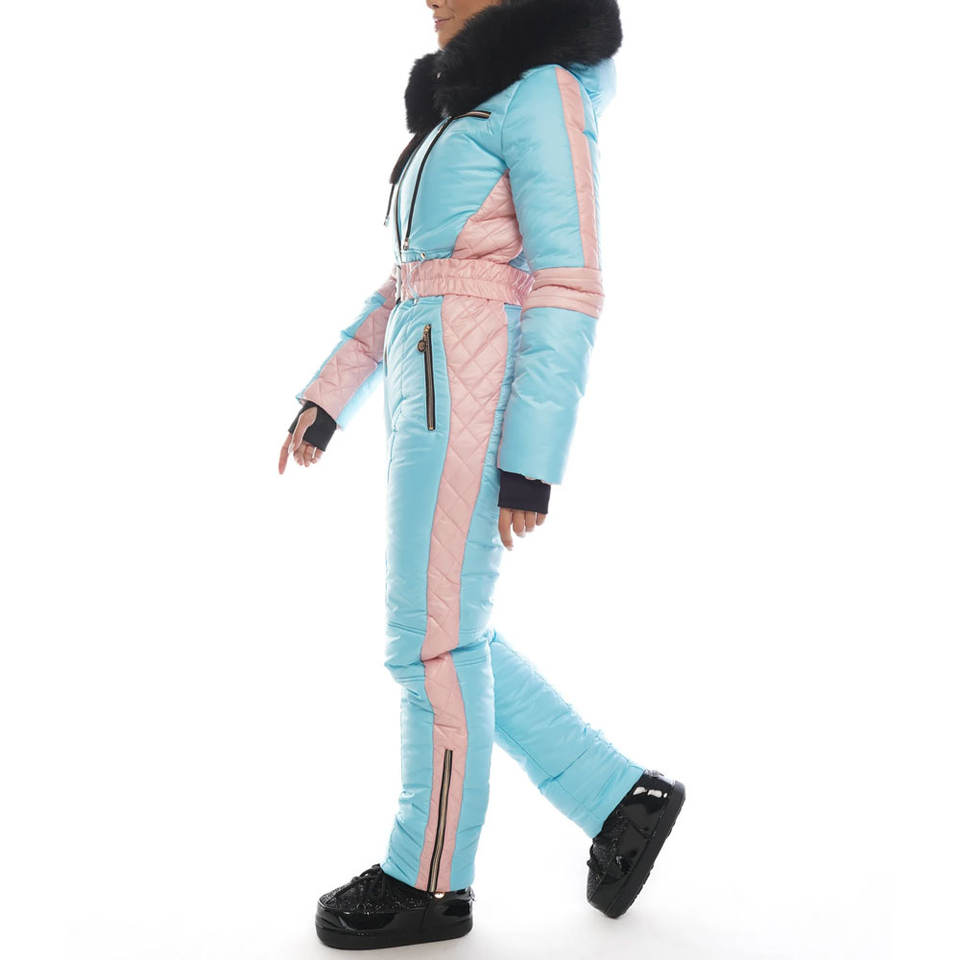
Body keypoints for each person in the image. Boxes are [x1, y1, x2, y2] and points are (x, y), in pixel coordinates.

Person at [278, 0, 684, 949]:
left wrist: (530, 463)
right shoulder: (468, 105)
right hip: (426, 390)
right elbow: (411, 277)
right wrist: (328, 394)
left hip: (470, 393)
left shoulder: (543, 91)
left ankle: (429, 881)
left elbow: (568, 281)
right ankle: (620, 800)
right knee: (445, 631)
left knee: (430, 641)